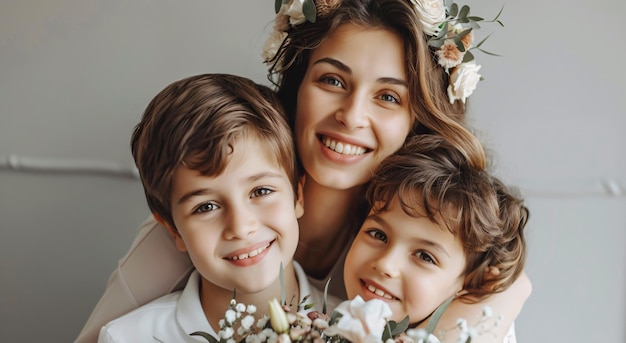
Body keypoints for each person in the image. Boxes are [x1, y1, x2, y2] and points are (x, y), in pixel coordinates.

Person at [76, 1, 531, 342]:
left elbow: (506, 290)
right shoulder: (201, 220)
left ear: (419, 120)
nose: (351, 116)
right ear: (298, 86)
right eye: (332, 81)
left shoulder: (423, 252)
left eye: (389, 96)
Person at [97, 73, 337, 342]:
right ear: (173, 229)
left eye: (261, 191)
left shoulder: (359, 327)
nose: (241, 227)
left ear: (298, 196)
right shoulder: (128, 338)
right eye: (206, 207)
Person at [343, 134, 528, 341]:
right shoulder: (313, 319)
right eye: (378, 235)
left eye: (424, 256)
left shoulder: (483, 332)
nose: (386, 264)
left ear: (470, 284)